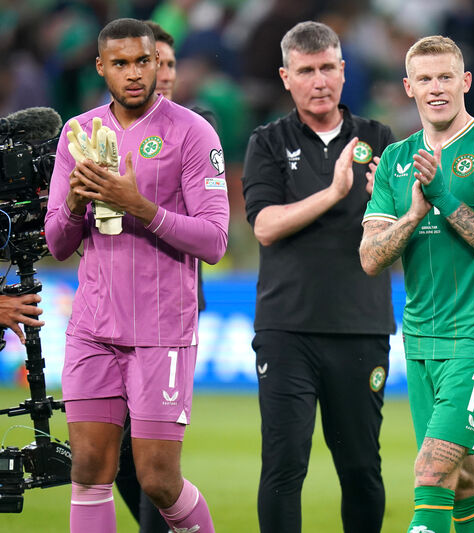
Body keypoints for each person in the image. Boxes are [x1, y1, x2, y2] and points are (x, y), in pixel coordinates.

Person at [44, 18, 228, 533]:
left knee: (157, 478)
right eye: (120, 63)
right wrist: (77, 203)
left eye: (142, 61)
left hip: (162, 330)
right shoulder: (77, 134)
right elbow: (58, 244)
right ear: (101, 67)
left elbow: (214, 241)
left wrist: (139, 207)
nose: (133, 73)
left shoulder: (192, 132)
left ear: (157, 63)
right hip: (92, 327)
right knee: (88, 470)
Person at [360, 36, 474, 533]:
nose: (437, 89)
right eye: (426, 79)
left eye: (447, 77)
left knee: (431, 472)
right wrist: (414, 213)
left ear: (466, 82)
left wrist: (442, 196)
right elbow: (370, 257)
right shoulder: (395, 159)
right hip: (420, 341)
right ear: (408, 87)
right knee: (466, 482)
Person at [241, 21, 395, 533]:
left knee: (360, 469)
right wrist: (333, 193)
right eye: (306, 71)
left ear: (343, 70)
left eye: (328, 67)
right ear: (286, 77)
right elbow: (264, 226)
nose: (319, 80)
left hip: (361, 328)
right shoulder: (267, 142)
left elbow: (399, 236)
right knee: (284, 468)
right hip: (287, 330)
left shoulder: (379, 140)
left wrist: (393, 209)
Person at [112, 19, 216, 533]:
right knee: (115, 459)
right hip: (111, 313)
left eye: (167, 64)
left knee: (153, 456)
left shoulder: (197, 129)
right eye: (157, 62)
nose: (162, 73)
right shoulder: (100, 133)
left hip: (169, 308)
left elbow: (211, 233)